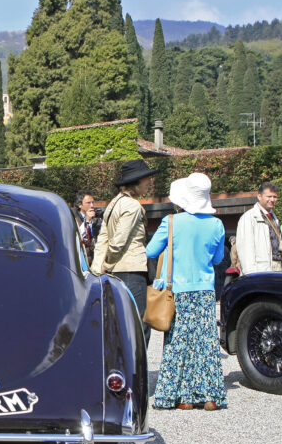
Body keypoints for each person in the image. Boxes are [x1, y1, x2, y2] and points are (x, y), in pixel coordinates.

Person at [147, 173, 227, 410]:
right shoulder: (217, 224)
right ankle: (211, 396)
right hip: (204, 289)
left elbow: (151, 251)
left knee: (178, 343)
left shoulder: (172, 222)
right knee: (205, 343)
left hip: (178, 290)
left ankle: (183, 397)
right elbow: (219, 258)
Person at [91, 159, 158, 342]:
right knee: (139, 324)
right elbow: (118, 242)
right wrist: (107, 263)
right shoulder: (132, 205)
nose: (149, 183)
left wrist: (98, 267)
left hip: (116, 271)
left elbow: (103, 238)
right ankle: (138, 368)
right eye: (146, 179)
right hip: (131, 270)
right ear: (136, 181)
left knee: (120, 323)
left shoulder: (114, 203)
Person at [235, 182, 282, 274]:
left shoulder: (273, 218)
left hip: (277, 268)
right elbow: (245, 249)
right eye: (269, 196)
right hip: (260, 270)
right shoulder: (249, 217)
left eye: (275, 197)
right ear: (259, 196)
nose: (272, 199)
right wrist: (250, 274)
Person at [74, 190, 101, 267]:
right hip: (83, 262)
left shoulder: (97, 218)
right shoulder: (74, 219)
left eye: (93, 202)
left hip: (96, 261)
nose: (92, 205)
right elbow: (78, 237)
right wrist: (87, 220)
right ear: (80, 205)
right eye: (88, 203)